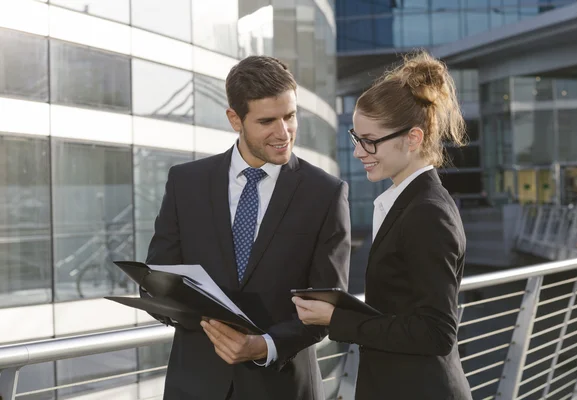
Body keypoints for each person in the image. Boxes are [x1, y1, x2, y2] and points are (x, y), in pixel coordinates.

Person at [143, 55, 351, 400]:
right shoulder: (185, 183)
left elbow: (326, 306)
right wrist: (163, 300)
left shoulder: (326, 193)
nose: (283, 132)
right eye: (267, 120)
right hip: (195, 386)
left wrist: (264, 345)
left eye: (290, 116)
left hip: (283, 387)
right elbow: (160, 277)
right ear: (234, 119)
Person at [293, 50, 473, 399]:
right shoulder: (405, 203)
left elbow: (436, 332)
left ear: (413, 139)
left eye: (370, 141)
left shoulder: (427, 213)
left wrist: (336, 320)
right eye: (356, 138)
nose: (359, 152)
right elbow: (402, 307)